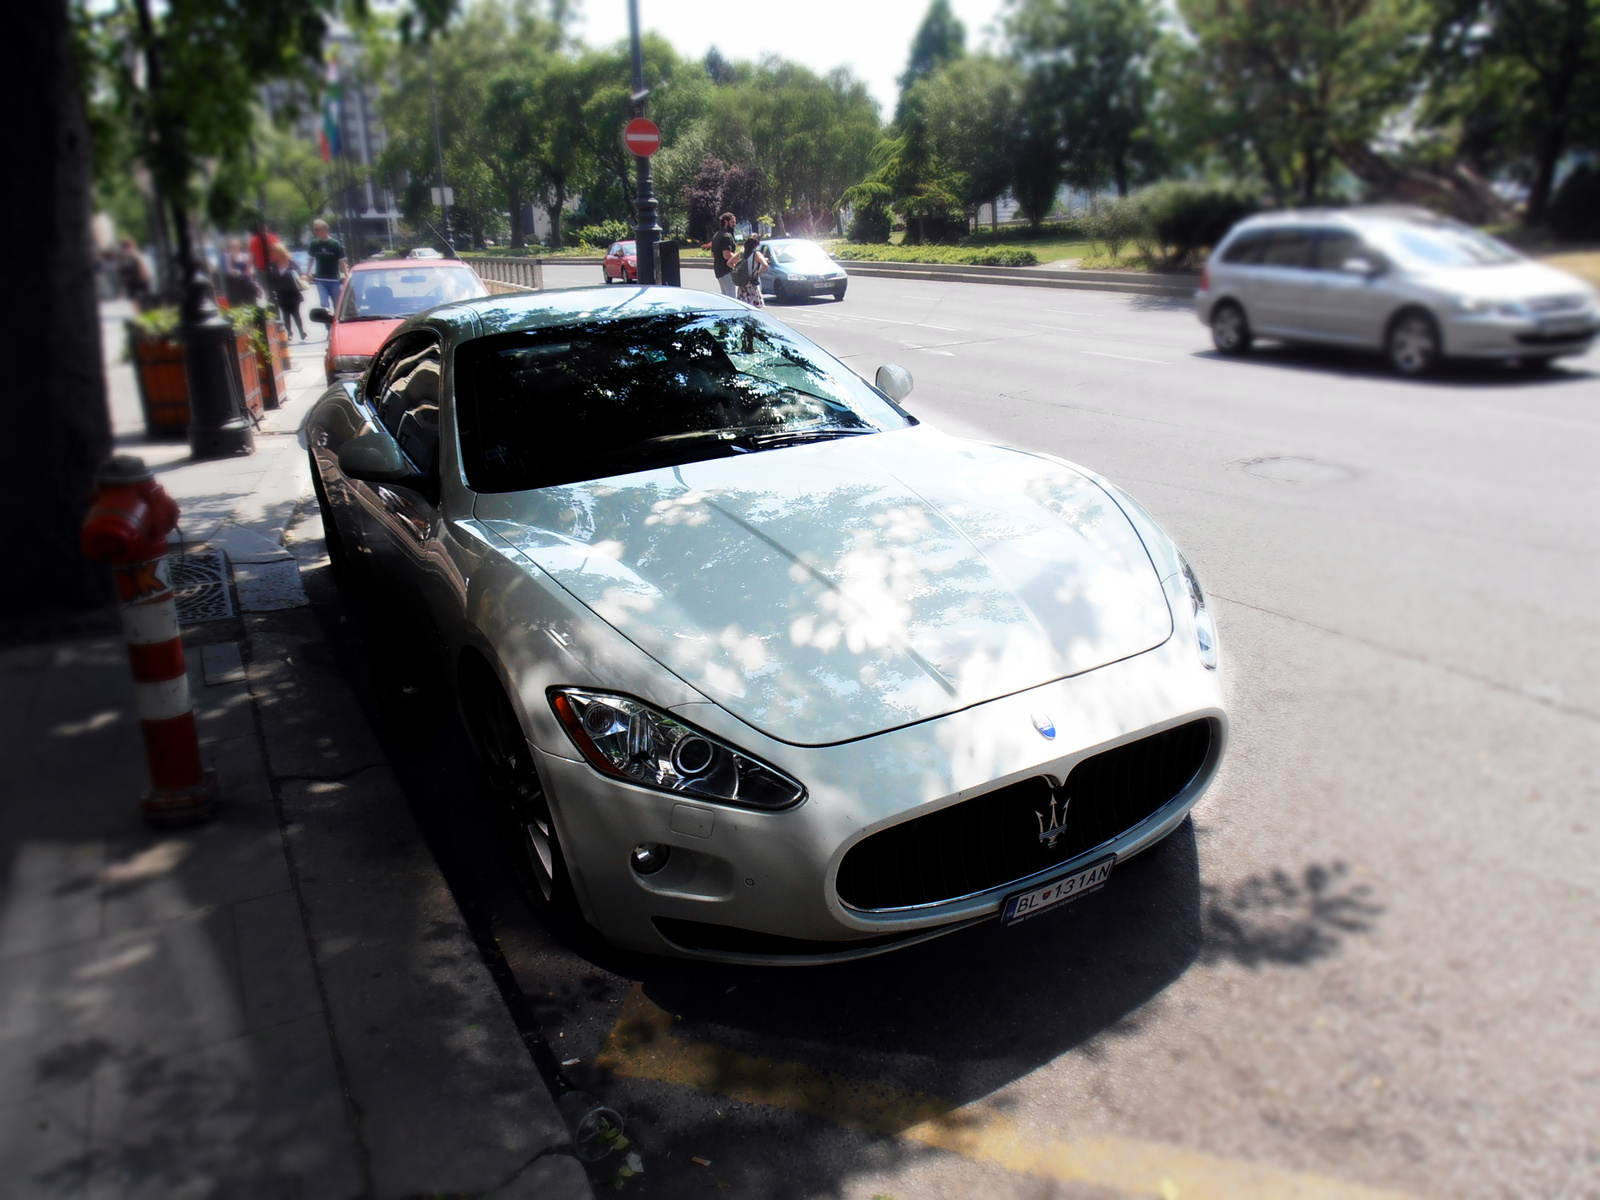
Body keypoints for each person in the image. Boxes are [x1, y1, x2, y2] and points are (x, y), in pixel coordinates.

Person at [267, 244, 307, 339]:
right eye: (272, 252)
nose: (273, 254)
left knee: (295, 313)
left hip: (293, 292)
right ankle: (289, 333)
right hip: (281, 293)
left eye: (274, 251)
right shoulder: (272, 265)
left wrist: (303, 278)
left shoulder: (291, 263)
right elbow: (270, 279)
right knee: (285, 314)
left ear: (280, 252)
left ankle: (301, 331)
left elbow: (300, 274)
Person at [307, 219, 347, 309]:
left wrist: (346, 274)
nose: (315, 232)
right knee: (324, 304)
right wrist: (307, 273)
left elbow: (341, 261)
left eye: (317, 229)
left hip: (334, 280)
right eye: (314, 229)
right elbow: (311, 259)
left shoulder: (335, 244)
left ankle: (335, 322)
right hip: (320, 279)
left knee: (337, 304)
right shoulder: (314, 244)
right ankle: (327, 323)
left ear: (324, 229)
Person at [733, 235, 767, 307]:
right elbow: (765, 265)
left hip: (742, 283)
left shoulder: (741, 253)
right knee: (754, 308)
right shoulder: (756, 254)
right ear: (756, 245)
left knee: (743, 306)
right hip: (752, 284)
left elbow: (729, 262)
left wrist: (738, 270)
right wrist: (758, 273)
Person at [116, 237, 152, 305]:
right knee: (137, 298)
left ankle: (142, 309)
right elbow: (123, 268)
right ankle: (141, 310)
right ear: (129, 245)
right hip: (135, 280)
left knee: (138, 298)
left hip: (138, 279)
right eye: (132, 244)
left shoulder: (134, 253)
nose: (134, 246)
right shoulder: (126, 254)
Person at [711, 212, 738, 298]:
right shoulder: (727, 236)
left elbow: (713, 255)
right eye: (733, 222)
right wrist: (739, 257)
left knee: (725, 297)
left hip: (719, 271)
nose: (735, 224)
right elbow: (726, 255)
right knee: (732, 298)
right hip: (727, 271)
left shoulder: (717, 235)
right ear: (726, 222)